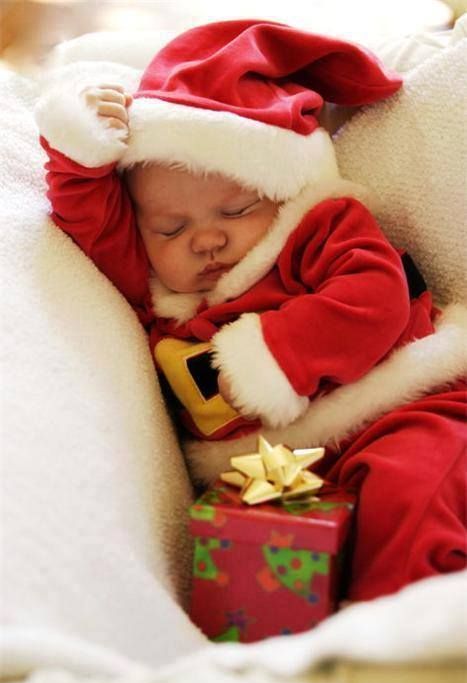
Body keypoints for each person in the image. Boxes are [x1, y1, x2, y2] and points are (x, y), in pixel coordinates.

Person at [35, 19, 466, 602]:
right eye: (172, 227)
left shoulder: (316, 225)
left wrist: (274, 355)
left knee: (407, 497)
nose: (205, 239)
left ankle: (409, 633)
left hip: (404, 406)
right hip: (276, 469)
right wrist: (81, 151)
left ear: (280, 188)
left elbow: (375, 295)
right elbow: (89, 220)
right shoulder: (157, 282)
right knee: (258, 566)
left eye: (235, 211)